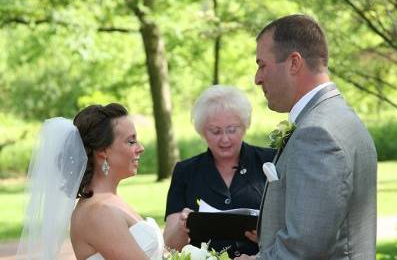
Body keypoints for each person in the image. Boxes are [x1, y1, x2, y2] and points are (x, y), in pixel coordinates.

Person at [235, 14, 377, 259]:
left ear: (293, 63)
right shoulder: (339, 117)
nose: (257, 78)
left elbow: (304, 248)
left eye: (262, 64)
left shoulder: (317, 134)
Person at [16, 103, 164, 260]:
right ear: (103, 151)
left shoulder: (109, 201)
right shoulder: (98, 213)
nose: (140, 148)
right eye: (131, 141)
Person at [163, 85, 276, 258]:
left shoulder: (269, 161)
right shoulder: (185, 171)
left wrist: (265, 237)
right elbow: (171, 245)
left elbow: (293, 231)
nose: (224, 139)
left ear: (245, 126)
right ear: (202, 131)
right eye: (215, 131)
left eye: (232, 129)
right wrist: (182, 225)